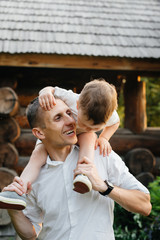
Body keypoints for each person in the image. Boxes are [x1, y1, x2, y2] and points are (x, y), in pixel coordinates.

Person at [0, 97, 151, 240]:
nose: (71, 121)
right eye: (58, 118)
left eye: (68, 113)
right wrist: (15, 212)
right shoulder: (32, 177)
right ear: (39, 133)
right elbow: (31, 234)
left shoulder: (101, 155)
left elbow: (145, 205)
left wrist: (104, 187)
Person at [0, 79, 120, 210]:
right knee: (37, 155)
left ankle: (83, 173)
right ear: (78, 105)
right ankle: (18, 190)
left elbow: (115, 123)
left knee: (89, 136)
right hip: (56, 134)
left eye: (95, 128)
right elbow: (50, 89)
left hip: (74, 136)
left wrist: (103, 138)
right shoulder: (71, 98)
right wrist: (45, 92)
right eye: (84, 123)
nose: (87, 127)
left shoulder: (108, 114)